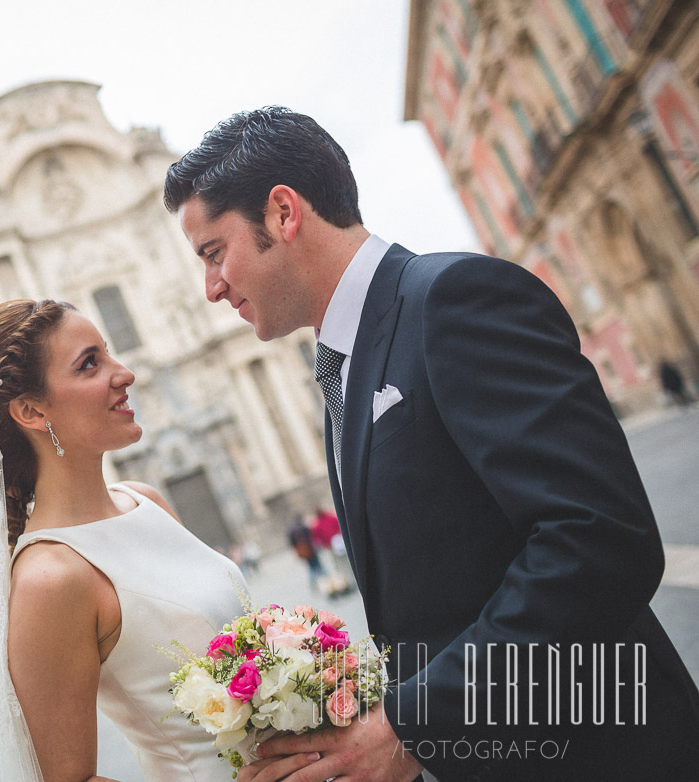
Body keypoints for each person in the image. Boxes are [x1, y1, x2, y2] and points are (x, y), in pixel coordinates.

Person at [164, 107, 699, 781]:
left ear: (282, 213)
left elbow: (597, 540)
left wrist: (413, 724)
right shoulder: (339, 367)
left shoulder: (454, 298)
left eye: (214, 253)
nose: (210, 289)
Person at [0, 299, 248, 781]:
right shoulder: (51, 578)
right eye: (90, 363)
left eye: (108, 353)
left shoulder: (145, 501)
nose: (124, 373)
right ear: (31, 410)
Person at [286, 513, 328, 595]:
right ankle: (324, 583)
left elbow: (291, 542)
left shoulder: (291, 530)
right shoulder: (304, 527)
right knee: (318, 567)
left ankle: (314, 586)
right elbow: (311, 537)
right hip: (310, 549)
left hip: (303, 551)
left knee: (311, 568)